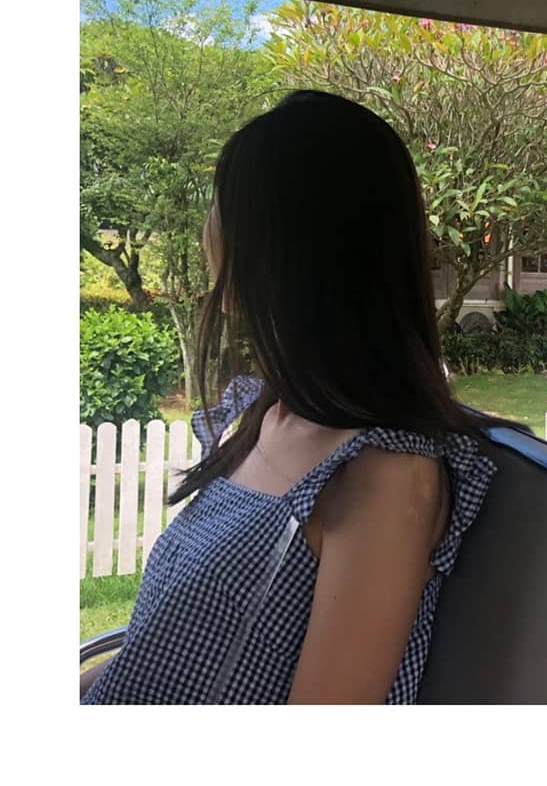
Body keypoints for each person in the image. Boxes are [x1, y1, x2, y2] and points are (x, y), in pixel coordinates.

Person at [81, 91, 498, 704]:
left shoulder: (383, 474)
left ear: (289, 246)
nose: (208, 229)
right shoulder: (264, 415)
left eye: (224, 203)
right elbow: (160, 652)